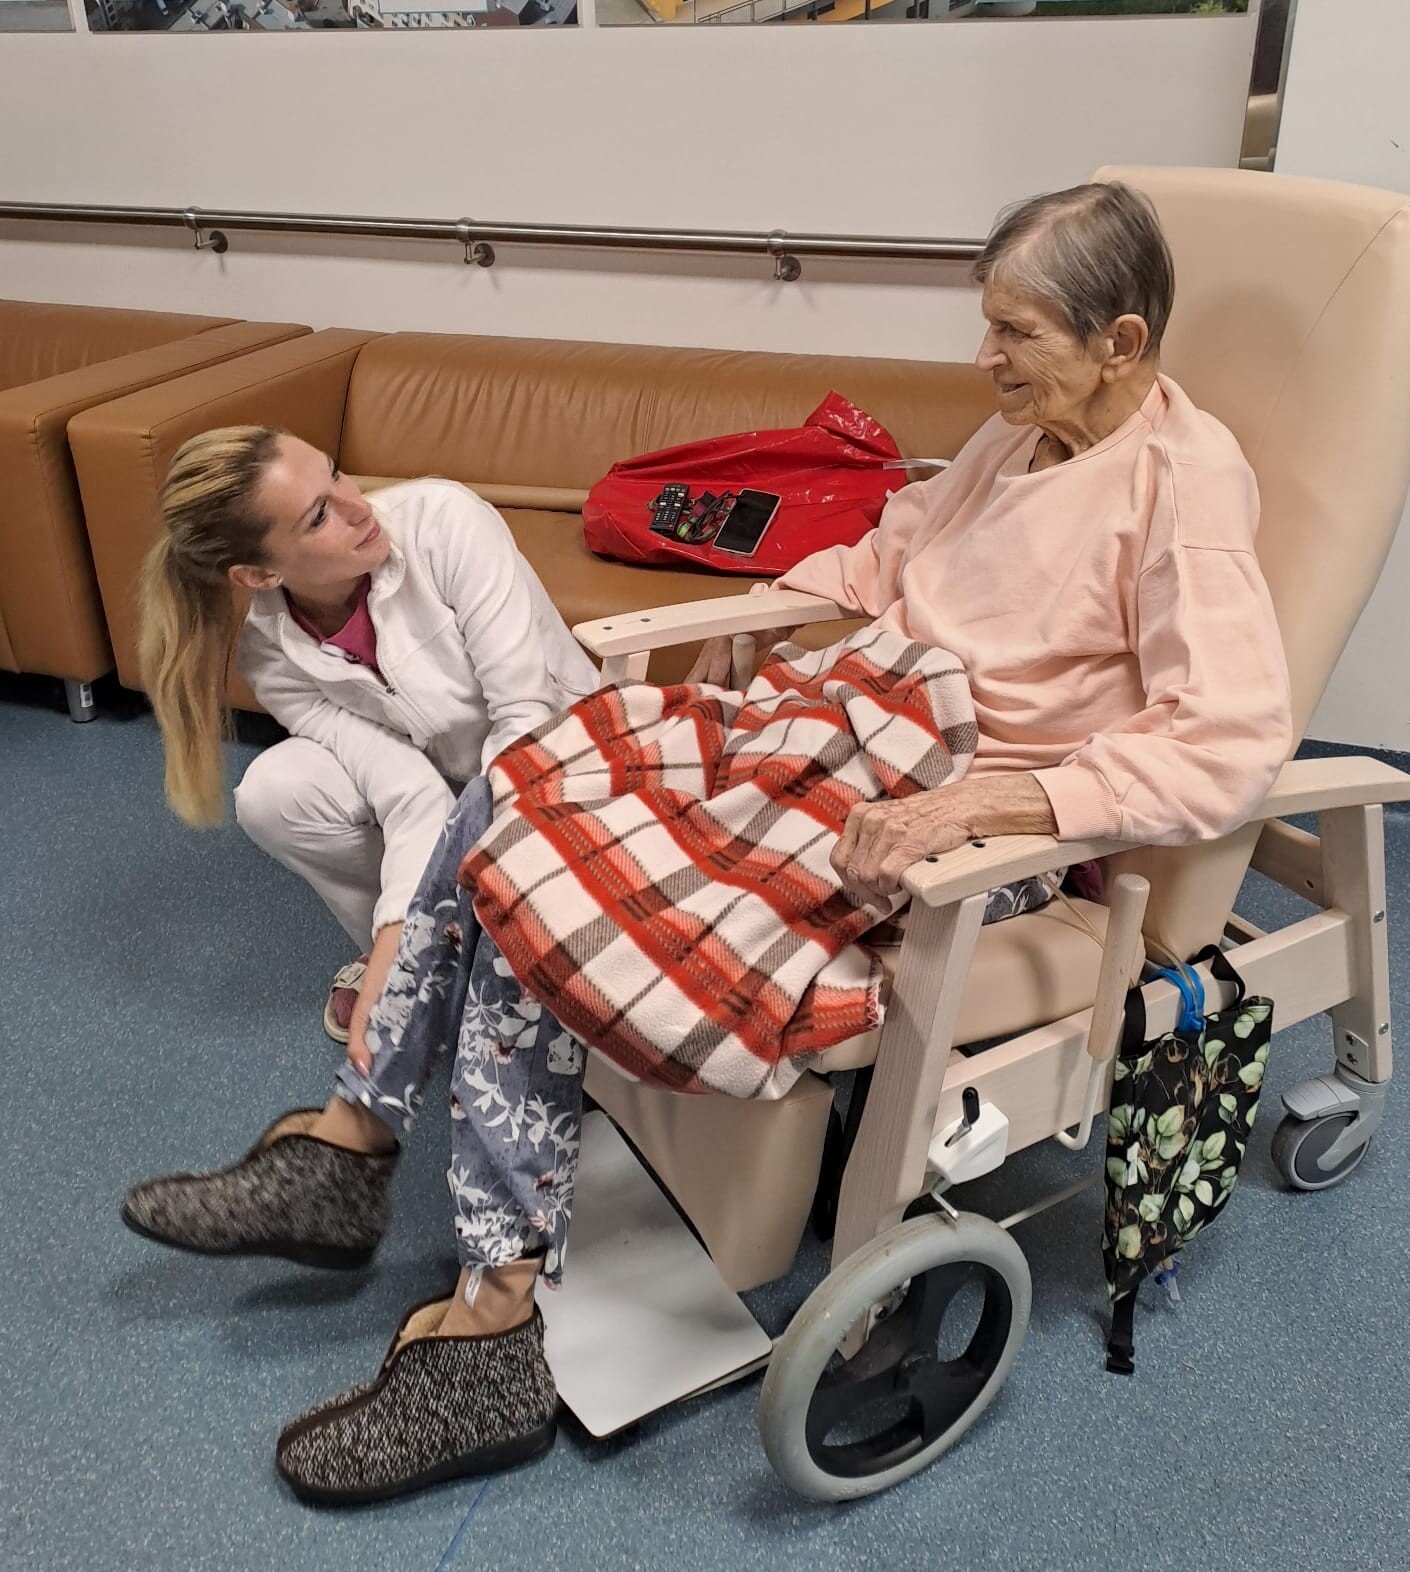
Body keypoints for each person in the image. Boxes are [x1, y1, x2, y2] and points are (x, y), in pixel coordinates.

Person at [122, 182, 1292, 1505]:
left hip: (947, 793)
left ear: (1119, 342)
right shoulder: (1018, 436)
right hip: (837, 719)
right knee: (515, 793)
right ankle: (365, 1153)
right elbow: (893, 555)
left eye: (1014, 332)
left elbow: (1233, 739)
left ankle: (463, 1275)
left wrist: (980, 807)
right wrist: (773, 613)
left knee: (541, 863)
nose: (985, 358)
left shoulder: (1184, 483)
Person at [140, 430, 599, 1065]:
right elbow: (407, 791)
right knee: (272, 794)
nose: (360, 507)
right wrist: (396, 940)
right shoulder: (271, 659)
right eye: (319, 516)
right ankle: (419, 959)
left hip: (560, 762)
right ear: (260, 574)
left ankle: (453, 956)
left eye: (335, 474)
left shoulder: (444, 522)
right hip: (441, 786)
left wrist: (486, 888)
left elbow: (525, 718)